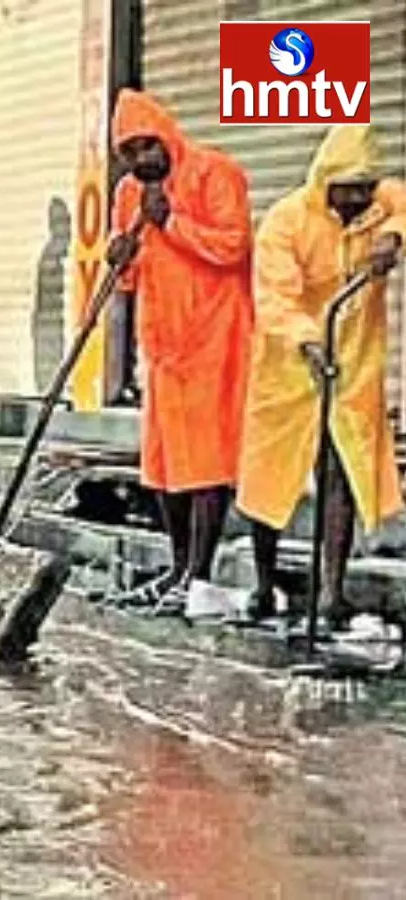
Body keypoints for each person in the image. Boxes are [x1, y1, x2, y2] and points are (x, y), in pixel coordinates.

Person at [237, 125, 406, 629]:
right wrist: (308, 341)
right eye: (346, 188)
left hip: (354, 361)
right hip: (288, 363)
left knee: (341, 471)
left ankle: (331, 593)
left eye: (364, 187)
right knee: (270, 475)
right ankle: (264, 584)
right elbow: (275, 299)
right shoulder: (285, 223)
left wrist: (393, 236)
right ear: (323, 181)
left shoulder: (383, 204)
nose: (356, 198)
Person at [104, 89, 254, 616]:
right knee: (164, 465)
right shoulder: (127, 195)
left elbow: (234, 247)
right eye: (129, 153)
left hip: (217, 339)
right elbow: (129, 278)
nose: (141, 160)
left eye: (147, 147)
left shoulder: (217, 172)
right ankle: (177, 566)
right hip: (164, 346)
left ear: (166, 135)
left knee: (207, 462)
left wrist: (171, 222)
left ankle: (201, 575)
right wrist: (119, 258)